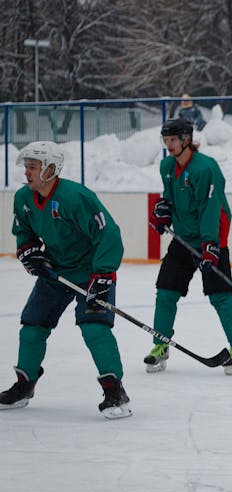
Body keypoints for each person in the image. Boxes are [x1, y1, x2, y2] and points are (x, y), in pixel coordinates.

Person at [1, 141, 132, 419]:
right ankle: (25, 385)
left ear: (50, 169)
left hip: (92, 272)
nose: (27, 173)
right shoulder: (24, 198)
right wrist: (28, 251)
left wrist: (103, 276)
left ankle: (114, 390)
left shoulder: (76, 197)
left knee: (94, 329)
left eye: (33, 167)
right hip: (56, 270)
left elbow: (109, 234)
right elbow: (24, 232)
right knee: (32, 328)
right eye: (26, 166)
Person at [145, 117, 232, 375]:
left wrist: (211, 245)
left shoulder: (206, 168)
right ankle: (160, 345)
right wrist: (163, 212)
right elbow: (170, 197)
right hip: (182, 239)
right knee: (166, 291)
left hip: (212, 239)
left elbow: (210, 209)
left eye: (173, 139)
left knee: (220, 296)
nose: (168, 145)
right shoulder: (167, 167)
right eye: (166, 140)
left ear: (186, 140)